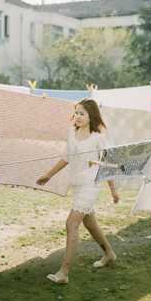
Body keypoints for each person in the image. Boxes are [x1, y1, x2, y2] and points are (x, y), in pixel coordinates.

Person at [37, 99, 119, 284]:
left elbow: (106, 165)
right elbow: (66, 157)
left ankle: (64, 272)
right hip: (77, 184)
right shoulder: (71, 133)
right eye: (76, 113)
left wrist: (113, 190)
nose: (78, 116)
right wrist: (48, 175)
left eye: (82, 113)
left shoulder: (98, 138)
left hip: (91, 184)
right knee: (89, 223)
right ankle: (109, 254)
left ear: (91, 116)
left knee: (71, 224)